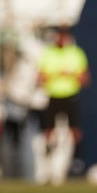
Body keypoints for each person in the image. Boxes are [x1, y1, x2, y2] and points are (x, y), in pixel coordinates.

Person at [35, 26, 90, 184]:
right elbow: (40, 78)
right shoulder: (48, 53)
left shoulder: (76, 53)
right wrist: (55, 76)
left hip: (70, 95)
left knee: (75, 131)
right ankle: (47, 166)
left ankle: (77, 163)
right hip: (53, 96)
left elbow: (85, 78)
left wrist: (71, 75)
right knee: (48, 131)